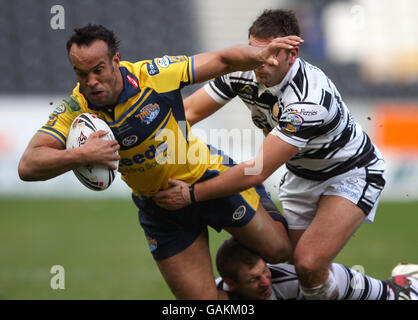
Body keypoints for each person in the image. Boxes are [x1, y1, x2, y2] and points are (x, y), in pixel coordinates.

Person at [17, 24, 303, 300]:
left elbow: (222, 59)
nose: (90, 82)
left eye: (98, 70)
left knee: (279, 251)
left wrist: (260, 54)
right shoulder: (76, 107)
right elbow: (28, 165)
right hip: (161, 207)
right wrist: (81, 155)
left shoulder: (154, 75)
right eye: (81, 73)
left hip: (206, 177)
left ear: (115, 61)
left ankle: (251, 211)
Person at [153, 9, 387, 300]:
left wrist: (192, 195)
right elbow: (188, 112)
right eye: (255, 50)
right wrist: (146, 147)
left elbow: (258, 169)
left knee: (309, 263)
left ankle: (392, 292)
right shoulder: (244, 69)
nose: (261, 61)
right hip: (301, 175)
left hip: (351, 172)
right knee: (285, 258)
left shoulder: (308, 101)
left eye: (272, 52)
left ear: (293, 53)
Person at [215, 238, 418, 300]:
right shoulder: (213, 292)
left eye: (264, 271)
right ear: (231, 283)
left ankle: (403, 283)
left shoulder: (290, 280)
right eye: (254, 279)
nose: (265, 282)